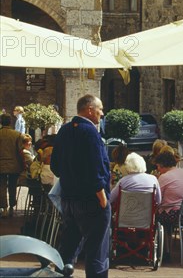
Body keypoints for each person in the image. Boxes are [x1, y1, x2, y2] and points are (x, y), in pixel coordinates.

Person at [50, 94, 111, 277]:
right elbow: (96, 165)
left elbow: (55, 166)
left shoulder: (64, 130)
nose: (102, 113)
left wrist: (70, 177)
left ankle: (61, 274)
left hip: (69, 199)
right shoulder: (90, 131)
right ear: (90, 109)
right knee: (97, 250)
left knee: (68, 245)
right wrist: (102, 197)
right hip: (91, 199)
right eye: (100, 109)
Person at [0, 113, 25, 218]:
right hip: (14, 164)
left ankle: (3, 207)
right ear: (10, 122)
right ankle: (11, 206)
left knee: (1, 186)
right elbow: (20, 151)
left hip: (1, 165)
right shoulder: (17, 135)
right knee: (12, 186)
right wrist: (23, 164)